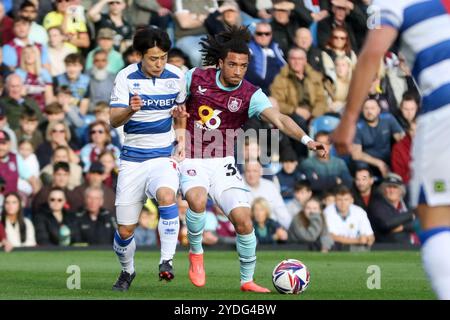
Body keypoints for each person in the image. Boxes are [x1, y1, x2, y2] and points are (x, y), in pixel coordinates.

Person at [172, 26, 327, 292]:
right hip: (192, 156)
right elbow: (175, 107)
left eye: (243, 66)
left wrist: (307, 140)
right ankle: (196, 254)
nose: (238, 71)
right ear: (220, 63)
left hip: (223, 162)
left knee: (244, 219)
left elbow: (279, 119)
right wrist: (177, 129)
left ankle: (247, 280)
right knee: (196, 200)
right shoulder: (194, 77)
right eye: (232, 64)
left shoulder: (250, 94)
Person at [331, 0, 450, 298]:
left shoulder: (395, 2)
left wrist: (348, 121)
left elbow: (372, 53)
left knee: (435, 216)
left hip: (443, 107)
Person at [109, 27, 186, 291]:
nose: (159, 63)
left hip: (162, 156)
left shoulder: (177, 76)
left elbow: (181, 113)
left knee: (167, 196)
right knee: (124, 231)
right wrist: (130, 109)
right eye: (153, 58)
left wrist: (182, 136)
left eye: (163, 57)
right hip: (132, 159)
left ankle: (167, 261)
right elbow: (113, 119)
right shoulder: (125, 77)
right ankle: (127, 271)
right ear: (140, 55)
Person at [351, 97, 404, 178]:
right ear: (362, 110)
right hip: (369, 162)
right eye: (366, 108)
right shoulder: (358, 127)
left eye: (372, 108)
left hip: (388, 158)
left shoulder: (388, 119)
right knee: (359, 164)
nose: (369, 112)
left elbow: (401, 140)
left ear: (379, 110)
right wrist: (379, 163)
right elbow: (356, 154)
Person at [368, 173, 416, 244]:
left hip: (411, 246)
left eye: (395, 187)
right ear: (383, 189)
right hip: (387, 248)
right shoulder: (377, 205)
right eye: (389, 187)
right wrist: (411, 215)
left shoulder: (406, 204)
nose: (392, 190)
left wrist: (403, 227)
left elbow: (419, 224)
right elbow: (386, 224)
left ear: (401, 190)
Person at [323, 185, 375, 250]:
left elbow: (370, 235)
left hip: (357, 247)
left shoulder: (360, 212)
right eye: (339, 200)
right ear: (335, 201)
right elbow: (331, 236)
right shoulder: (328, 212)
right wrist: (357, 240)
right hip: (336, 247)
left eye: (346, 199)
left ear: (351, 200)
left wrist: (368, 239)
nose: (343, 203)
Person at [245, 22, 286, 95]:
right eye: (259, 33)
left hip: (275, 90)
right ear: (254, 35)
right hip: (253, 91)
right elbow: (249, 75)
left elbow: (284, 69)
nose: (263, 36)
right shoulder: (248, 49)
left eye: (267, 34)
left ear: (271, 35)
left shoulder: (276, 49)